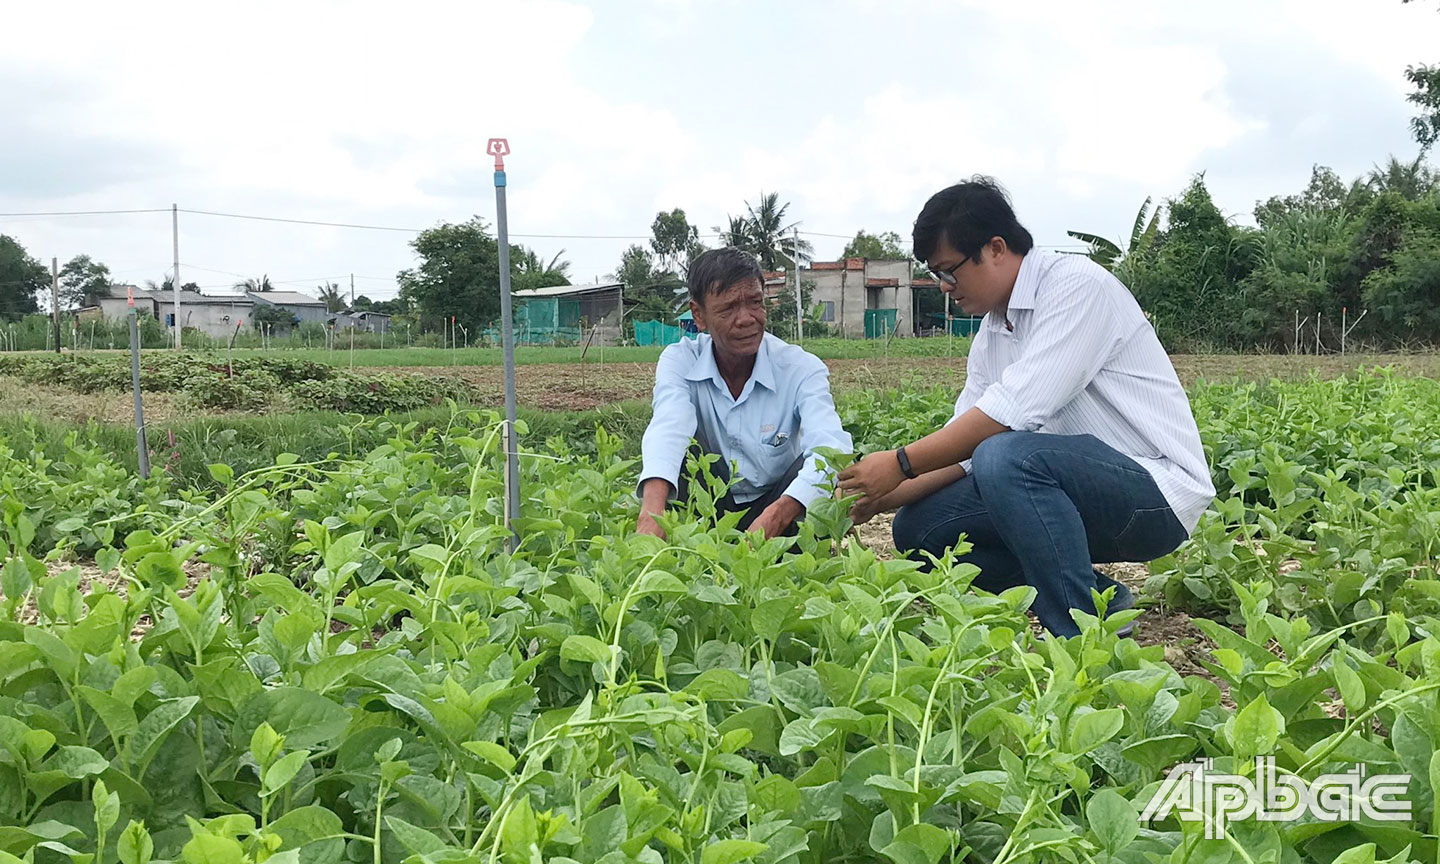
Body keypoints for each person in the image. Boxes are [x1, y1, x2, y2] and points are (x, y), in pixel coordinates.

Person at [837, 177, 1214, 638]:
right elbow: (961, 451)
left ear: (996, 248)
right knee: (921, 528)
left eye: (950, 271)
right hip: (1068, 494)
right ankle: (1102, 600)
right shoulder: (993, 334)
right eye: (937, 275)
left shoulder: (1076, 287)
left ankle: (1083, 636)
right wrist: (877, 498)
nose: (944, 287)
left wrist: (899, 463)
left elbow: (1006, 418)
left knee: (1004, 455)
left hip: (1154, 497)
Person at [636, 247, 852, 539]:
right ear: (698, 315)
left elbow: (832, 447)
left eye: (755, 302)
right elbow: (669, 425)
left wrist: (777, 516)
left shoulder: (800, 368)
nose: (747, 319)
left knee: (824, 467)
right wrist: (651, 514)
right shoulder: (680, 361)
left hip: (779, 501)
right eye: (728, 308)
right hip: (710, 504)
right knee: (680, 457)